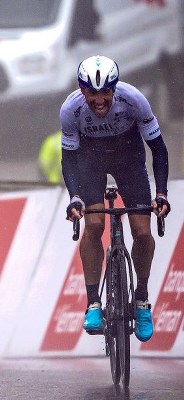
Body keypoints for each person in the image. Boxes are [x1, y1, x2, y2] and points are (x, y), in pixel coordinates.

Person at [62, 55, 171, 342]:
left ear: (114, 88)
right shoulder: (70, 110)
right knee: (95, 225)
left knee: (143, 232)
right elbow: (69, 158)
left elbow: (158, 149)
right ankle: (93, 303)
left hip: (129, 159)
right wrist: (75, 197)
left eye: (105, 92)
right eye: (92, 93)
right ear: (82, 90)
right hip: (90, 162)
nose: (99, 100)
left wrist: (161, 194)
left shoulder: (134, 100)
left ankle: (142, 301)